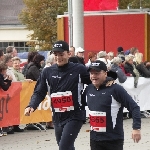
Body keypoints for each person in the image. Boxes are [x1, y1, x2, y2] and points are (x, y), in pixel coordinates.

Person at [24, 40, 91, 150]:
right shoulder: (47, 72)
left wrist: (108, 79)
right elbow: (39, 91)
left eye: (61, 54)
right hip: (58, 117)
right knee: (65, 146)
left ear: (68, 54)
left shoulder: (79, 69)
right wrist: (31, 105)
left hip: (74, 115)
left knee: (64, 147)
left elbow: (94, 81)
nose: (58, 57)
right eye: (56, 55)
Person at [83, 60, 141, 150]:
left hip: (113, 139)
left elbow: (134, 107)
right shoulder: (88, 89)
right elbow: (79, 106)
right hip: (95, 139)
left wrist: (136, 128)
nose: (94, 76)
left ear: (105, 74)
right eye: (91, 73)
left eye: (97, 73)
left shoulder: (115, 89)